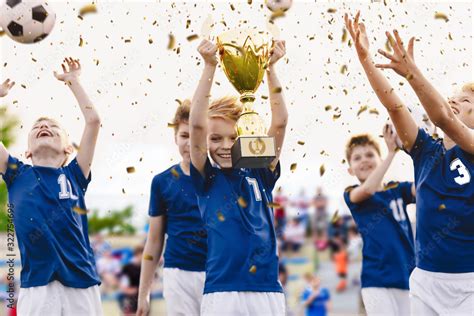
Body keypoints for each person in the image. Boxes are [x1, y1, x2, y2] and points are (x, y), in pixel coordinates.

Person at [346, 11, 474, 315]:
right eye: (453, 96)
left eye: (466, 101)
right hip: (426, 282)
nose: (455, 101)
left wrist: (411, 72)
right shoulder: (425, 149)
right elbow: (394, 104)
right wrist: (365, 60)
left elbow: (442, 115)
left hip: (469, 283)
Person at [189, 38, 288, 315]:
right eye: (216, 138)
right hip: (222, 292)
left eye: (233, 137)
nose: (224, 145)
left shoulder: (260, 172)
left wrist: (270, 69)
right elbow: (196, 124)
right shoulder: (205, 177)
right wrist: (209, 66)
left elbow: (280, 122)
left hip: (267, 289)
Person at [0, 58, 102, 315]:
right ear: (28, 152)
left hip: (82, 282)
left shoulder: (75, 174)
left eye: (53, 127)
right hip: (37, 287)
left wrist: (74, 82)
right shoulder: (16, 174)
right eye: (36, 127)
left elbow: (93, 121)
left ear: (69, 148)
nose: (43, 126)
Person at [137, 100, 207, 316]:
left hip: (218, 274)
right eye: (184, 135)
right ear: (175, 137)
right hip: (178, 274)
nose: (190, 142)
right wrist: (143, 294)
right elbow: (155, 241)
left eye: (196, 135)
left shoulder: (221, 179)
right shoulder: (162, 182)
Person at [342, 122, 415, 314]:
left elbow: (425, 187)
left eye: (369, 155)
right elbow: (368, 189)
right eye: (357, 158)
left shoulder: (398, 189)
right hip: (377, 280)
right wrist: (392, 153)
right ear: (351, 169)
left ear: (379, 158)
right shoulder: (352, 194)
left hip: (409, 277)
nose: (364, 160)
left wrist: (414, 147)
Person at [119, 246, 143, 316]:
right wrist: (132, 291)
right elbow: (123, 285)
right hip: (130, 296)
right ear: (137, 254)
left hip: (142, 294)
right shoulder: (128, 268)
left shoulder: (146, 268)